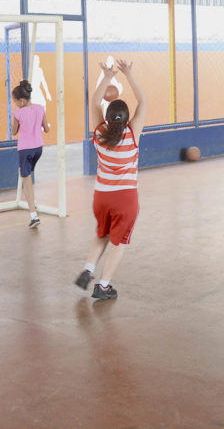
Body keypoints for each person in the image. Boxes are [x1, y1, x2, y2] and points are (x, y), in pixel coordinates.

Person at [75, 58, 146, 299]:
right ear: (127, 119)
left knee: (102, 233)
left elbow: (93, 101)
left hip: (101, 197)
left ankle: (88, 268)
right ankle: (104, 285)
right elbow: (143, 101)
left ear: (106, 117)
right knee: (120, 242)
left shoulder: (99, 132)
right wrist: (129, 74)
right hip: (125, 199)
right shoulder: (133, 133)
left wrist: (107, 76)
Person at [12, 79, 51, 228]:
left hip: (25, 149)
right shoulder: (40, 108)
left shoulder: (18, 113)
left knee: (26, 180)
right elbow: (46, 129)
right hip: (38, 149)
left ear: (21, 101)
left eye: (15, 101)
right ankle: (33, 205)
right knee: (25, 174)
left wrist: (17, 120)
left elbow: (14, 132)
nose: (15, 104)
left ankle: (33, 215)